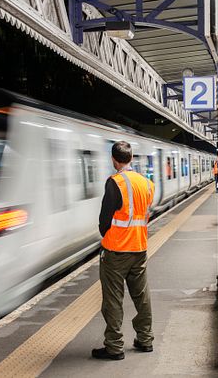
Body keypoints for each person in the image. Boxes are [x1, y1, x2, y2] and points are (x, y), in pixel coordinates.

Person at [92, 141, 155, 361]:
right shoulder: (147, 184)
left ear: (113, 159)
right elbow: (146, 214)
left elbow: (104, 220)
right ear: (131, 158)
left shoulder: (114, 183)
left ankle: (114, 346)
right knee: (142, 297)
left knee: (113, 300)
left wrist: (107, 234)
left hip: (117, 251)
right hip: (140, 248)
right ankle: (145, 339)